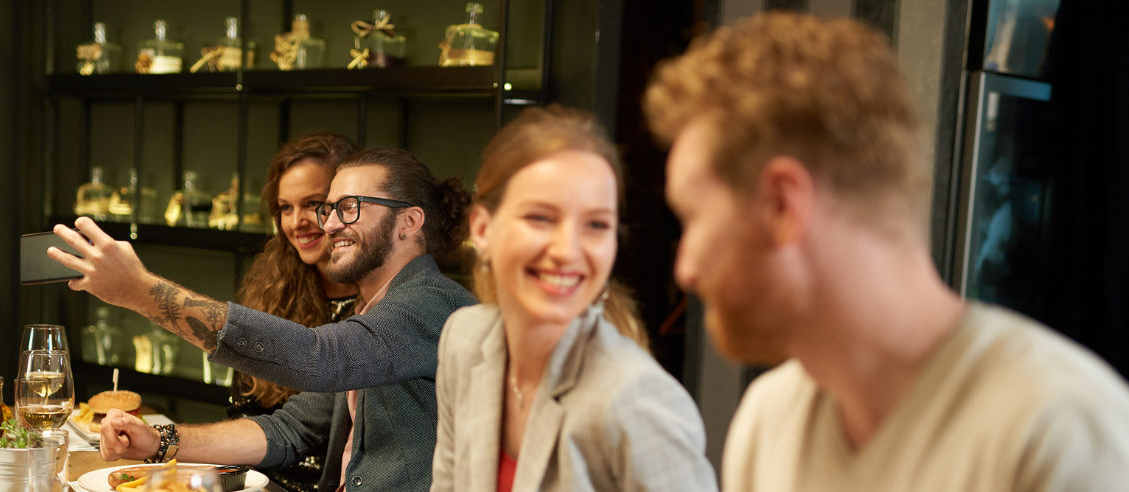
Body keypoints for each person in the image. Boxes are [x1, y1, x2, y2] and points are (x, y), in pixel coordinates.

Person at [645, 11, 1129, 492]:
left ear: (782, 205)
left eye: (692, 217)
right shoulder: (768, 422)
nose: (686, 270)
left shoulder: (1061, 435)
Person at [48, 147, 476, 491]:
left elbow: (319, 358)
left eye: (349, 207)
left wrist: (142, 292)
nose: (329, 225)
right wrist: (160, 441)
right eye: (329, 209)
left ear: (408, 222)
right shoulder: (374, 313)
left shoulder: (432, 305)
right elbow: (289, 430)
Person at [430, 105, 719, 491]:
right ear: (482, 229)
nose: (567, 250)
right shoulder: (464, 339)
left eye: (596, 224)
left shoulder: (638, 399)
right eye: (540, 218)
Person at [226, 133, 359, 491]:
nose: (296, 221)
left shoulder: (381, 304)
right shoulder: (270, 292)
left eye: (313, 204)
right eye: (286, 208)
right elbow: (243, 409)